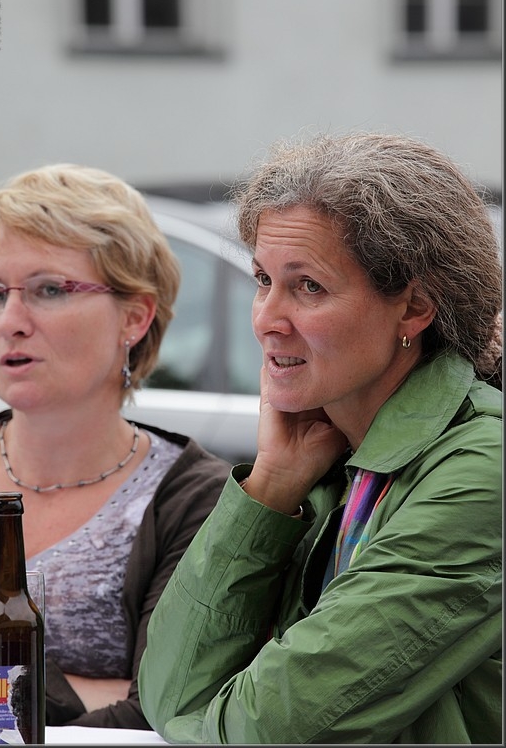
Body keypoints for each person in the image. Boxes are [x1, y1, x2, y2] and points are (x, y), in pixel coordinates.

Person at [138, 132, 502, 744]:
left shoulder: (482, 471)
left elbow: (272, 732)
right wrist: (270, 488)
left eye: (308, 286)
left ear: (414, 308)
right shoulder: (327, 454)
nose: (265, 319)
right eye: (263, 279)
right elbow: (168, 693)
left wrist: (206, 722)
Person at [0, 163, 231, 729]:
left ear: (134, 317)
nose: (10, 321)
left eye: (49, 289)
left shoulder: (193, 500)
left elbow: (163, 710)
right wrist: (82, 691)